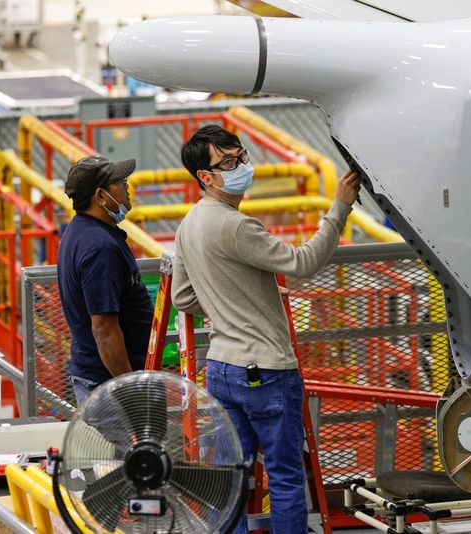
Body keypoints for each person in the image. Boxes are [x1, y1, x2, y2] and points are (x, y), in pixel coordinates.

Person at [173, 125, 361, 534]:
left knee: (233, 478)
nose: (241, 166)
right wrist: (340, 208)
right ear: (205, 177)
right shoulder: (237, 226)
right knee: (285, 476)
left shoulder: (189, 224)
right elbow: (304, 263)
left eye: (241, 156)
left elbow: (183, 298)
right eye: (228, 162)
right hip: (266, 371)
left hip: (221, 368)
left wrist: (226, 305)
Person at [58, 155, 153, 404]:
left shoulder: (80, 230)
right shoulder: (100, 248)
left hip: (102, 379)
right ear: (100, 196)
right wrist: (130, 389)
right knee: (132, 445)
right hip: (110, 386)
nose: (127, 187)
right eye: (120, 182)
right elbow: (104, 328)